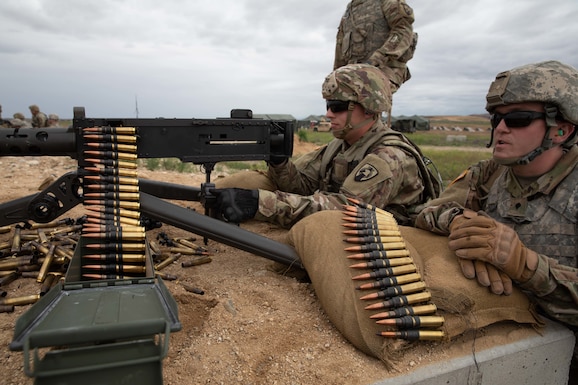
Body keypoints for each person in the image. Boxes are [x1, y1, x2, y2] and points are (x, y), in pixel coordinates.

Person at [414, 61, 578, 351]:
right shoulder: (490, 173)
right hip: (501, 339)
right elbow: (427, 212)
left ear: (561, 131)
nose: (501, 129)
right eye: (497, 119)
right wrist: (462, 225)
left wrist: (525, 265)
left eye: (518, 119)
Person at [212, 63, 440, 229]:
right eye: (328, 105)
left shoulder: (389, 156)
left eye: (337, 106)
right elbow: (303, 187)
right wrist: (279, 162)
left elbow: (346, 210)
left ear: (369, 108)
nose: (328, 114)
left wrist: (262, 204)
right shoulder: (340, 145)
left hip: (391, 237)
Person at [333, 0, 417, 94]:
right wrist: (335, 78)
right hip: (355, 74)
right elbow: (340, 46)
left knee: (358, 100)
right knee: (336, 100)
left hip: (386, 68)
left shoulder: (387, 2)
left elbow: (403, 30)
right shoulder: (349, 11)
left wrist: (378, 57)